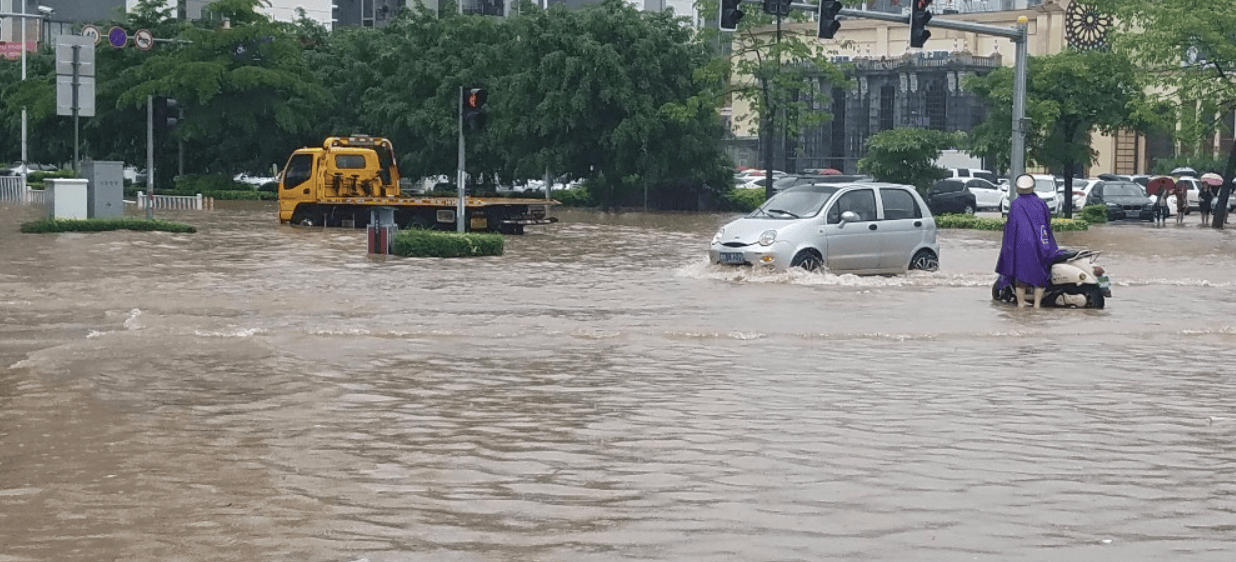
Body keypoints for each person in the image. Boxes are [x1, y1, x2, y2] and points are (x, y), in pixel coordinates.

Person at [996, 174, 1064, 308]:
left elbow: (1011, 227)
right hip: (1041, 243)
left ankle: (1021, 305)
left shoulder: (1016, 205)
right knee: (1041, 274)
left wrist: (1009, 248)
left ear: (1017, 188)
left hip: (1021, 245)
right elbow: (1047, 221)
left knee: (1020, 277)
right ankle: (1037, 306)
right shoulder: (1041, 203)